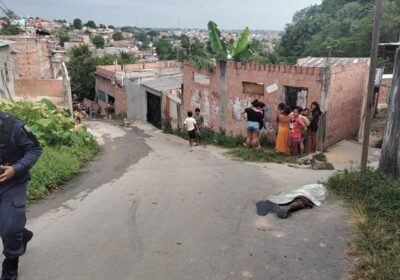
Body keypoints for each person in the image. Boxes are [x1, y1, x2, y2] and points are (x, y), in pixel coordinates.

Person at [0, 112, 42, 280]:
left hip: (13, 182)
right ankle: (22, 234)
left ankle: (11, 262)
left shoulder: (13, 126)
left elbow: (35, 149)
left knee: (9, 228)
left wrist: (15, 169)